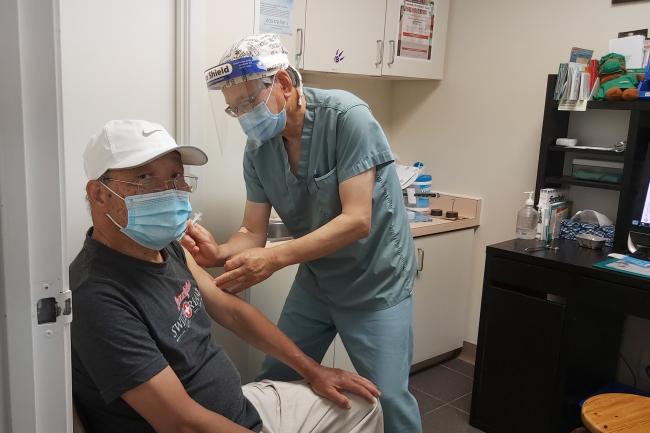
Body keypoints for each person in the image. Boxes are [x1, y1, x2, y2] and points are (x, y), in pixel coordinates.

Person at [70, 119, 383, 433]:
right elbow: (181, 424)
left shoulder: (167, 248)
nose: (171, 191)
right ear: (99, 194)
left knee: (362, 404)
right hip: (204, 426)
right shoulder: (98, 296)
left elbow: (232, 313)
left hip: (240, 407)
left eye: (176, 175)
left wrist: (314, 371)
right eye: (145, 177)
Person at [186, 34, 421, 433]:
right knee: (277, 374)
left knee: (388, 398)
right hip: (317, 280)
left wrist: (275, 259)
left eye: (248, 103)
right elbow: (252, 232)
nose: (245, 117)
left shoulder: (347, 117)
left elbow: (357, 219)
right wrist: (220, 251)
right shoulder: (259, 148)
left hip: (375, 281)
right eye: (234, 110)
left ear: (282, 83)